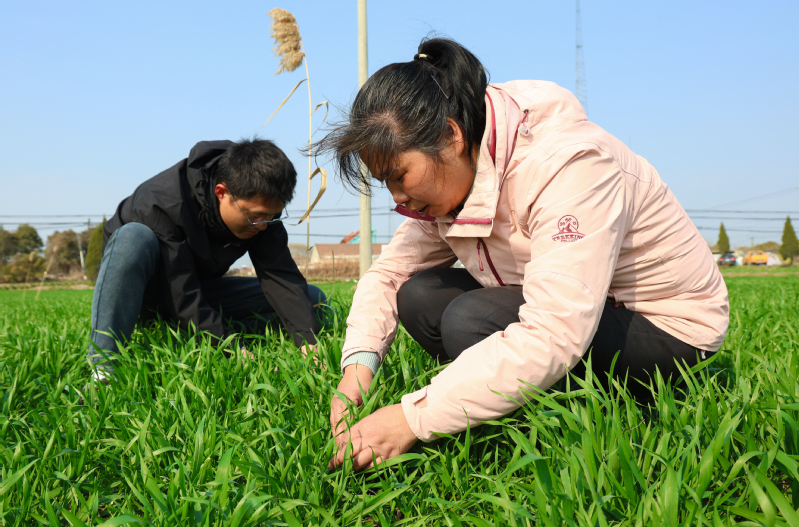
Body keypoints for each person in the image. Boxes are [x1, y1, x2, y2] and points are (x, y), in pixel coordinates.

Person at [317, 38, 729, 470]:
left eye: (400, 175)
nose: (398, 197)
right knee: (420, 295)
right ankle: (499, 399)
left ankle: (579, 424)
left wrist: (412, 418)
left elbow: (555, 329)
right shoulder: (456, 171)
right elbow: (389, 274)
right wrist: (357, 368)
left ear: (451, 136)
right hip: (583, 309)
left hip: (666, 329)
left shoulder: (567, 163)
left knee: (470, 321)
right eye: (385, 182)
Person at [88, 138, 324, 378]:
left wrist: (310, 344)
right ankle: (104, 370)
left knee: (313, 299)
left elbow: (281, 277)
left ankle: (193, 331)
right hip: (145, 297)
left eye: (272, 216)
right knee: (133, 236)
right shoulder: (161, 203)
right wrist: (235, 350)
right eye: (255, 217)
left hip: (199, 288)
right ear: (221, 192)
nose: (263, 226)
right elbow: (182, 293)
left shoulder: (262, 213)